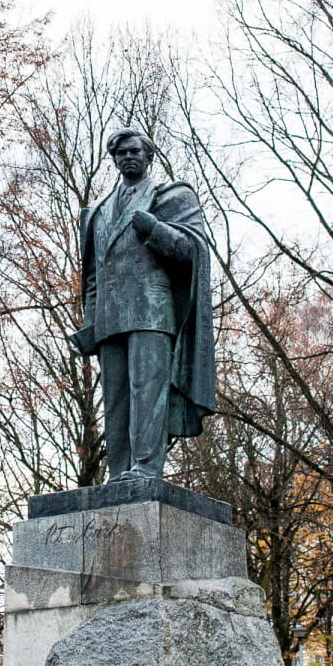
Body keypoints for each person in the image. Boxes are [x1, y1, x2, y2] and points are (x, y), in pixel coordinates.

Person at [71, 129, 215, 480]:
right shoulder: (97, 212)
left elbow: (193, 251)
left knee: (146, 393)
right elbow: (91, 274)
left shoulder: (171, 196)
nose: (126, 157)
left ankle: (146, 469)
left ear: (148, 155)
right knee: (116, 401)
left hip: (152, 312)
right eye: (119, 153)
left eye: (133, 151)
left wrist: (154, 229)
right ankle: (119, 473)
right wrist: (90, 322)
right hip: (109, 321)